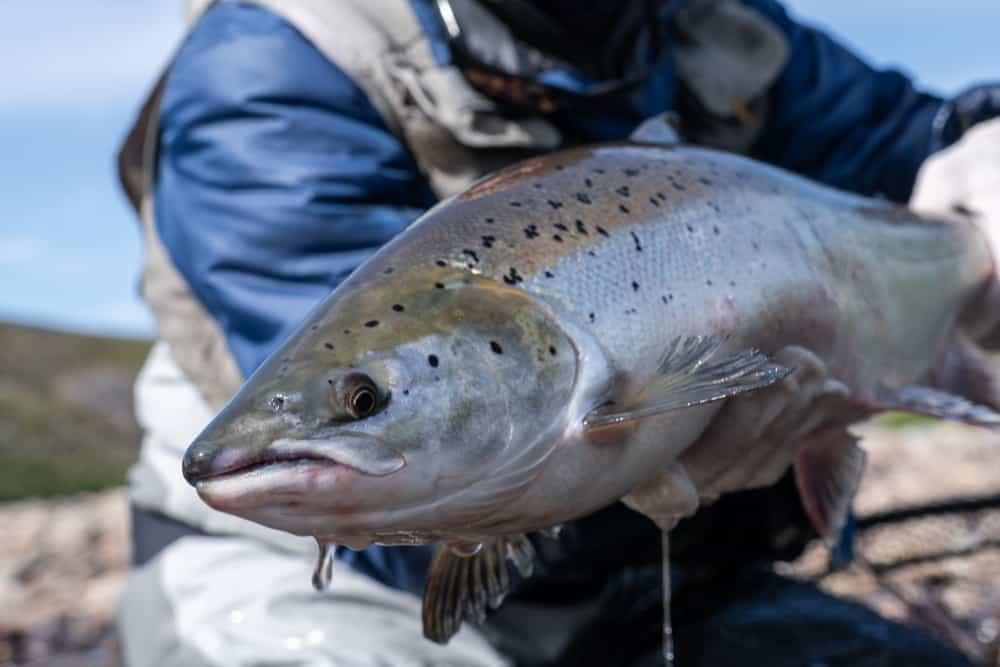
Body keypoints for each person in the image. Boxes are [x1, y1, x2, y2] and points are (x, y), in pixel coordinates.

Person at [115, 1, 1000, 665]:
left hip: (652, 570)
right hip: (308, 573)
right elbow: (381, 415)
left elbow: (902, 135)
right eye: (361, 399)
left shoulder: (706, 22)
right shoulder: (270, 68)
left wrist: (980, 155)